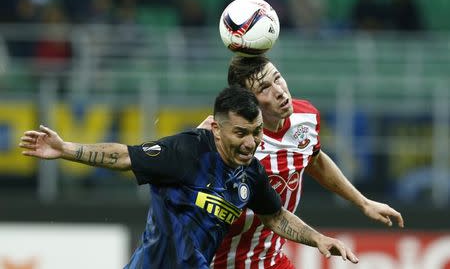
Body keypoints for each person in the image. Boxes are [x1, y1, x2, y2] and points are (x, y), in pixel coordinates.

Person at [19, 86, 359, 268]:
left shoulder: (251, 174)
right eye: (241, 132)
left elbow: (275, 216)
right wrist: (65, 149)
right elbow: (124, 155)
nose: (251, 142)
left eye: (256, 132)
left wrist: (318, 240)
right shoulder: (185, 153)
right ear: (216, 127)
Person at [198, 56, 404, 269]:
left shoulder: (305, 118)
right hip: (214, 261)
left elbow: (315, 160)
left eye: (277, 78)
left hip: (268, 259)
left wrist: (363, 202)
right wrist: (195, 141)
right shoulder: (233, 141)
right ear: (248, 103)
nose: (279, 91)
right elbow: (273, 216)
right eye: (264, 88)